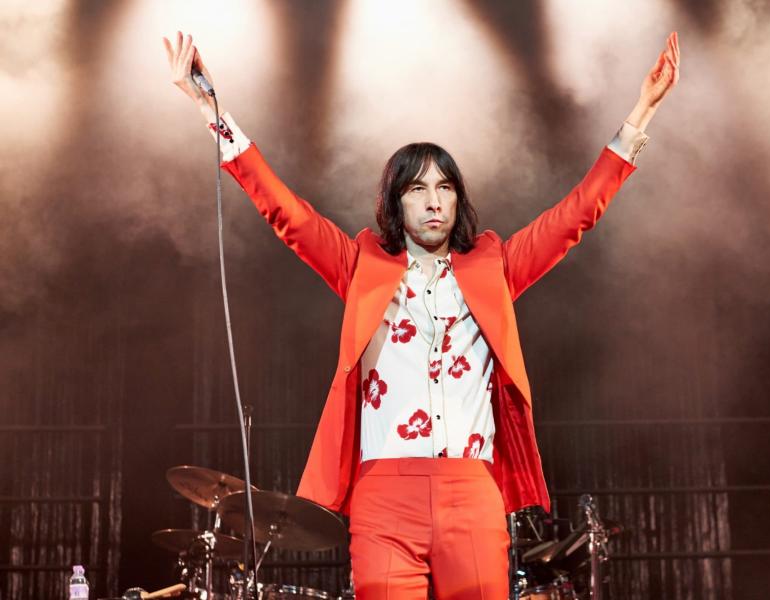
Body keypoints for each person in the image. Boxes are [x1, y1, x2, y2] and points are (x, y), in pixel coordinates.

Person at [163, 29, 679, 600]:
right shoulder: (360, 263)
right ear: (394, 202)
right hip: (385, 492)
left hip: (474, 490)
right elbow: (285, 212)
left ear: (458, 199)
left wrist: (640, 115)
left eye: (444, 187)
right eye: (416, 189)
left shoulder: (495, 265)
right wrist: (213, 110)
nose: (433, 200)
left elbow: (575, 215)